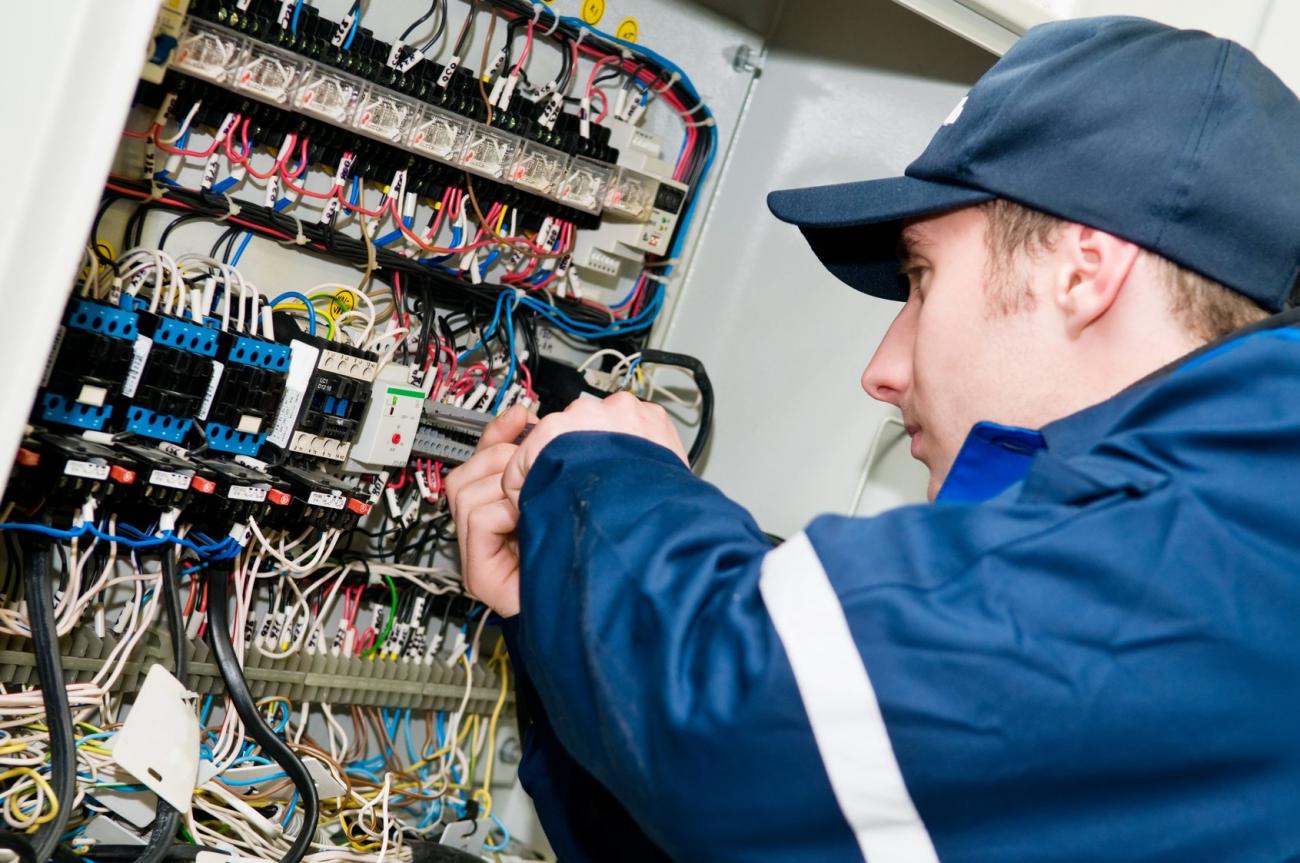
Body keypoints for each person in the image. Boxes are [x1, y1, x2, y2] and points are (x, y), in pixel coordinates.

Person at [448, 15, 1300, 863]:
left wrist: (602, 475)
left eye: (920, 278)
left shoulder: (1238, 527)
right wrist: (549, 609)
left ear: (1083, 270)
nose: (883, 369)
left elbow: (731, 726)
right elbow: (770, 830)